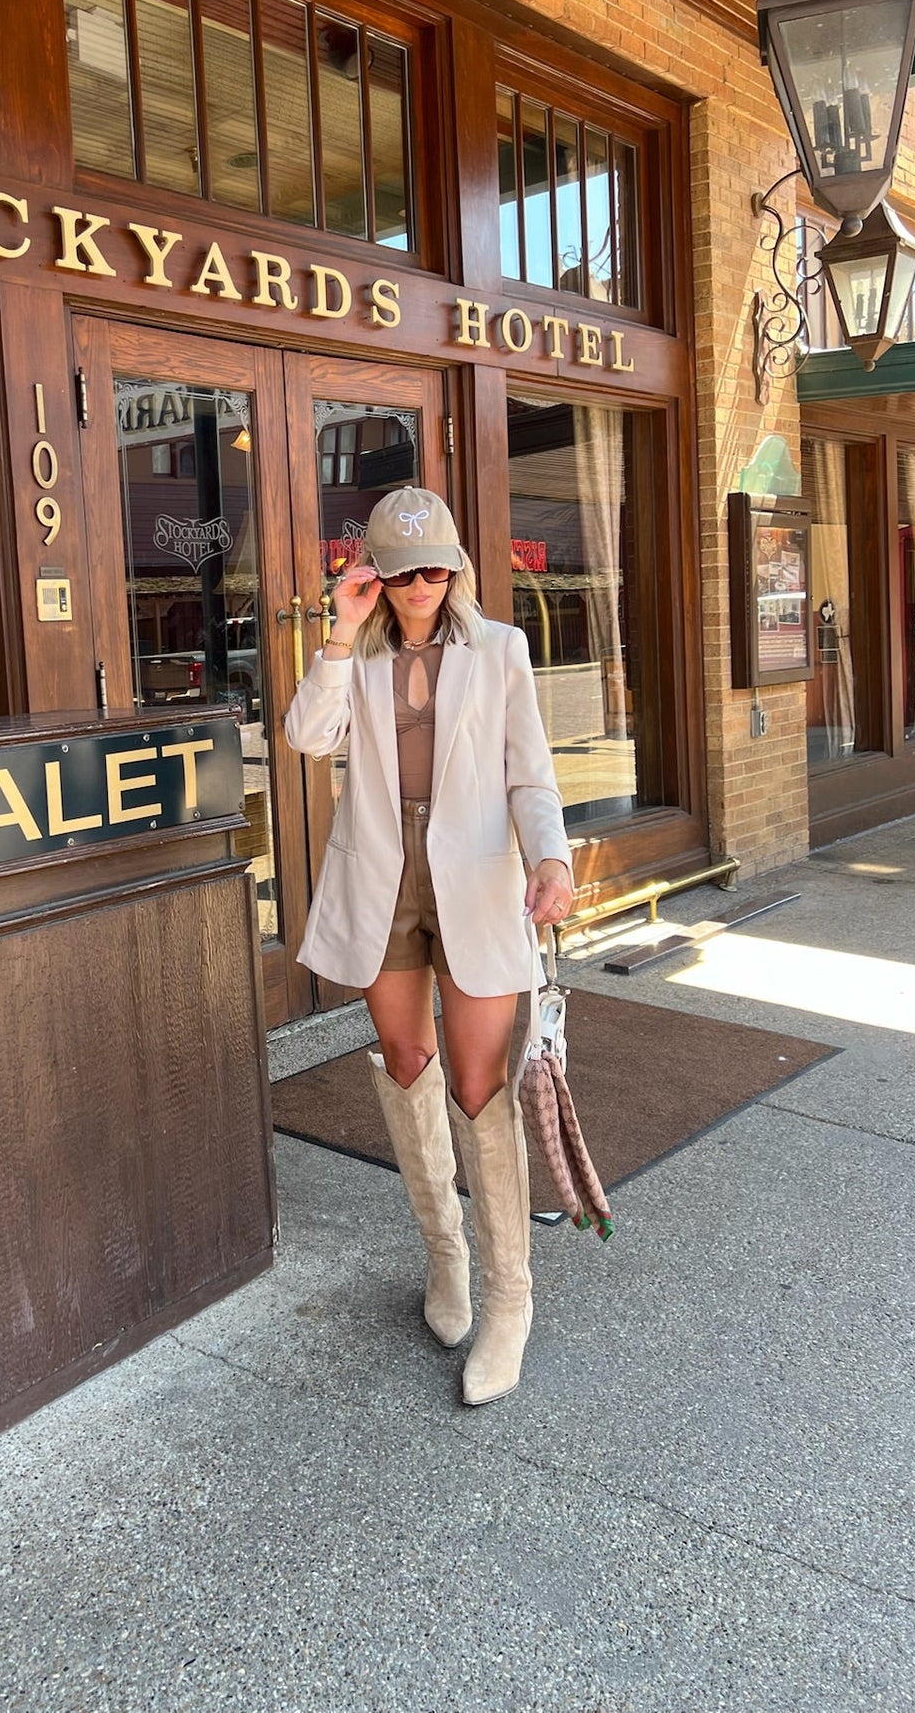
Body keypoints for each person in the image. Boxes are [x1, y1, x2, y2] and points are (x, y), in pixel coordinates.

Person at [284, 487, 574, 1406]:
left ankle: (509, 1300)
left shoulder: (498, 648)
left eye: (438, 564)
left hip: (480, 878)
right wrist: (340, 628)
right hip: (382, 876)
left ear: (459, 565)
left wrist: (552, 857)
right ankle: (445, 1261)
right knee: (408, 1063)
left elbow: (529, 771)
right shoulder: (356, 654)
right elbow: (303, 737)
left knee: (479, 1086)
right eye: (404, 567)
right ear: (373, 570)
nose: (424, 582)